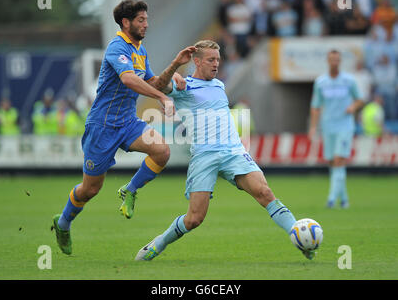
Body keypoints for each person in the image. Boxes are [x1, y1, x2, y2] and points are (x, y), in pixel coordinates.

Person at [135, 40, 315, 261]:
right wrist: (175, 67)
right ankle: (159, 243)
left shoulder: (219, 85)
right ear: (197, 61)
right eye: (211, 60)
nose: (216, 64)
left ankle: (299, 237)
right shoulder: (184, 85)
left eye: (218, 59)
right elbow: (158, 87)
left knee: (265, 193)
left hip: (233, 152)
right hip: (204, 156)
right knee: (194, 219)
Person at [51, 0, 196, 255]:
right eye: (141, 20)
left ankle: (129, 190)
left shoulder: (140, 50)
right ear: (126, 22)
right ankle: (63, 222)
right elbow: (129, 79)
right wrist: (162, 98)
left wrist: (175, 65)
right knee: (90, 189)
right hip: (103, 126)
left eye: (147, 19)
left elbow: (153, 82)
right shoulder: (117, 46)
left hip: (128, 122)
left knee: (161, 151)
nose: (146, 24)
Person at [309, 50, 364, 209]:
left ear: (340, 62)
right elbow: (315, 106)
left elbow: (360, 99)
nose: (334, 62)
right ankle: (344, 200)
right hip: (328, 126)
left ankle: (331, 199)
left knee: (340, 159)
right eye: (332, 60)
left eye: (337, 60)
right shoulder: (321, 82)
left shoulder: (348, 80)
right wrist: (313, 127)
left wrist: (352, 107)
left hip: (345, 126)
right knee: (333, 162)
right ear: (328, 61)